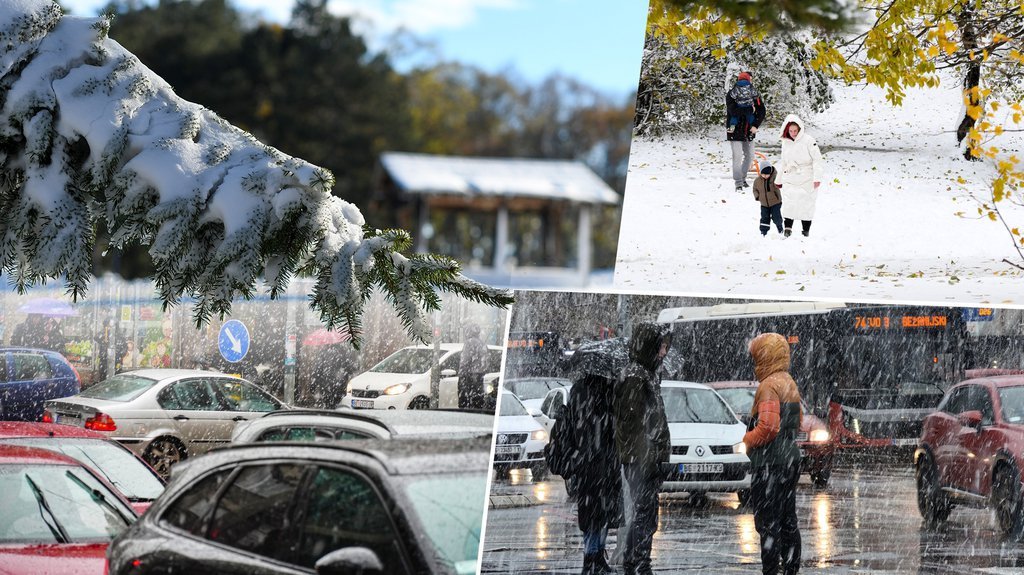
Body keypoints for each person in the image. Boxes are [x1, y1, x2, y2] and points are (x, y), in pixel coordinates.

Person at [614, 323, 672, 575]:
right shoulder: (637, 378)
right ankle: (639, 562)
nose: (662, 352)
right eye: (659, 346)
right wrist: (648, 457)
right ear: (648, 346)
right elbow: (633, 424)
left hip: (645, 458)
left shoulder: (644, 375)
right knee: (645, 514)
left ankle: (634, 559)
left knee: (644, 513)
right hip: (642, 460)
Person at [558, 346, 622, 575]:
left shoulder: (578, 390)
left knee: (591, 514)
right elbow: (611, 426)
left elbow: (576, 427)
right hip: (602, 461)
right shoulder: (607, 389)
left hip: (587, 463)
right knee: (602, 513)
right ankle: (595, 557)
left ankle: (592, 557)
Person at [743, 333, 803, 575]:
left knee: (768, 523)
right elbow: (796, 422)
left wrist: (747, 439)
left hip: (770, 463)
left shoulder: (769, 386)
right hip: (789, 460)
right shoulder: (788, 381)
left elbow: (768, 426)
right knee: (788, 520)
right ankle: (791, 568)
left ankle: (771, 571)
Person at [777, 114, 824, 237]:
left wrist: (817, 177)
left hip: (806, 176)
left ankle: (805, 230)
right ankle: (788, 229)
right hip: (790, 176)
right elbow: (784, 162)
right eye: (791, 131)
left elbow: (817, 159)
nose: (793, 133)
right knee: (789, 203)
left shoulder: (809, 140)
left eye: (795, 130)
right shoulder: (785, 142)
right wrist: (779, 179)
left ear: (800, 129)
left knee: (806, 203)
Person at [726, 71, 767, 191]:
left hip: (749, 129)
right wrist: (750, 109)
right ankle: (738, 182)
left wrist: (756, 125)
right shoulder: (731, 94)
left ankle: (742, 178)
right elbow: (733, 111)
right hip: (734, 129)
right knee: (737, 156)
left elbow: (761, 110)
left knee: (750, 156)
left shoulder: (754, 94)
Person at [458, 323, 489, 409]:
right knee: (478, 401)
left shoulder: (469, 343)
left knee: (464, 401)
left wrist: (462, 374)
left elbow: (465, 360)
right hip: (480, 377)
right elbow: (486, 362)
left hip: (467, 376)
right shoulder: (483, 344)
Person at [753, 161, 784, 237]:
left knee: (776, 217)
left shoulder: (776, 178)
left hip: (775, 202)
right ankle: (763, 232)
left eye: (767, 174)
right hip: (764, 204)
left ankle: (780, 229)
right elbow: (754, 189)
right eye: (763, 174)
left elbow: (781, 183)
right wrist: (758, 196)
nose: (765, 176)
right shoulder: (757, 181)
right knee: (764, 218)